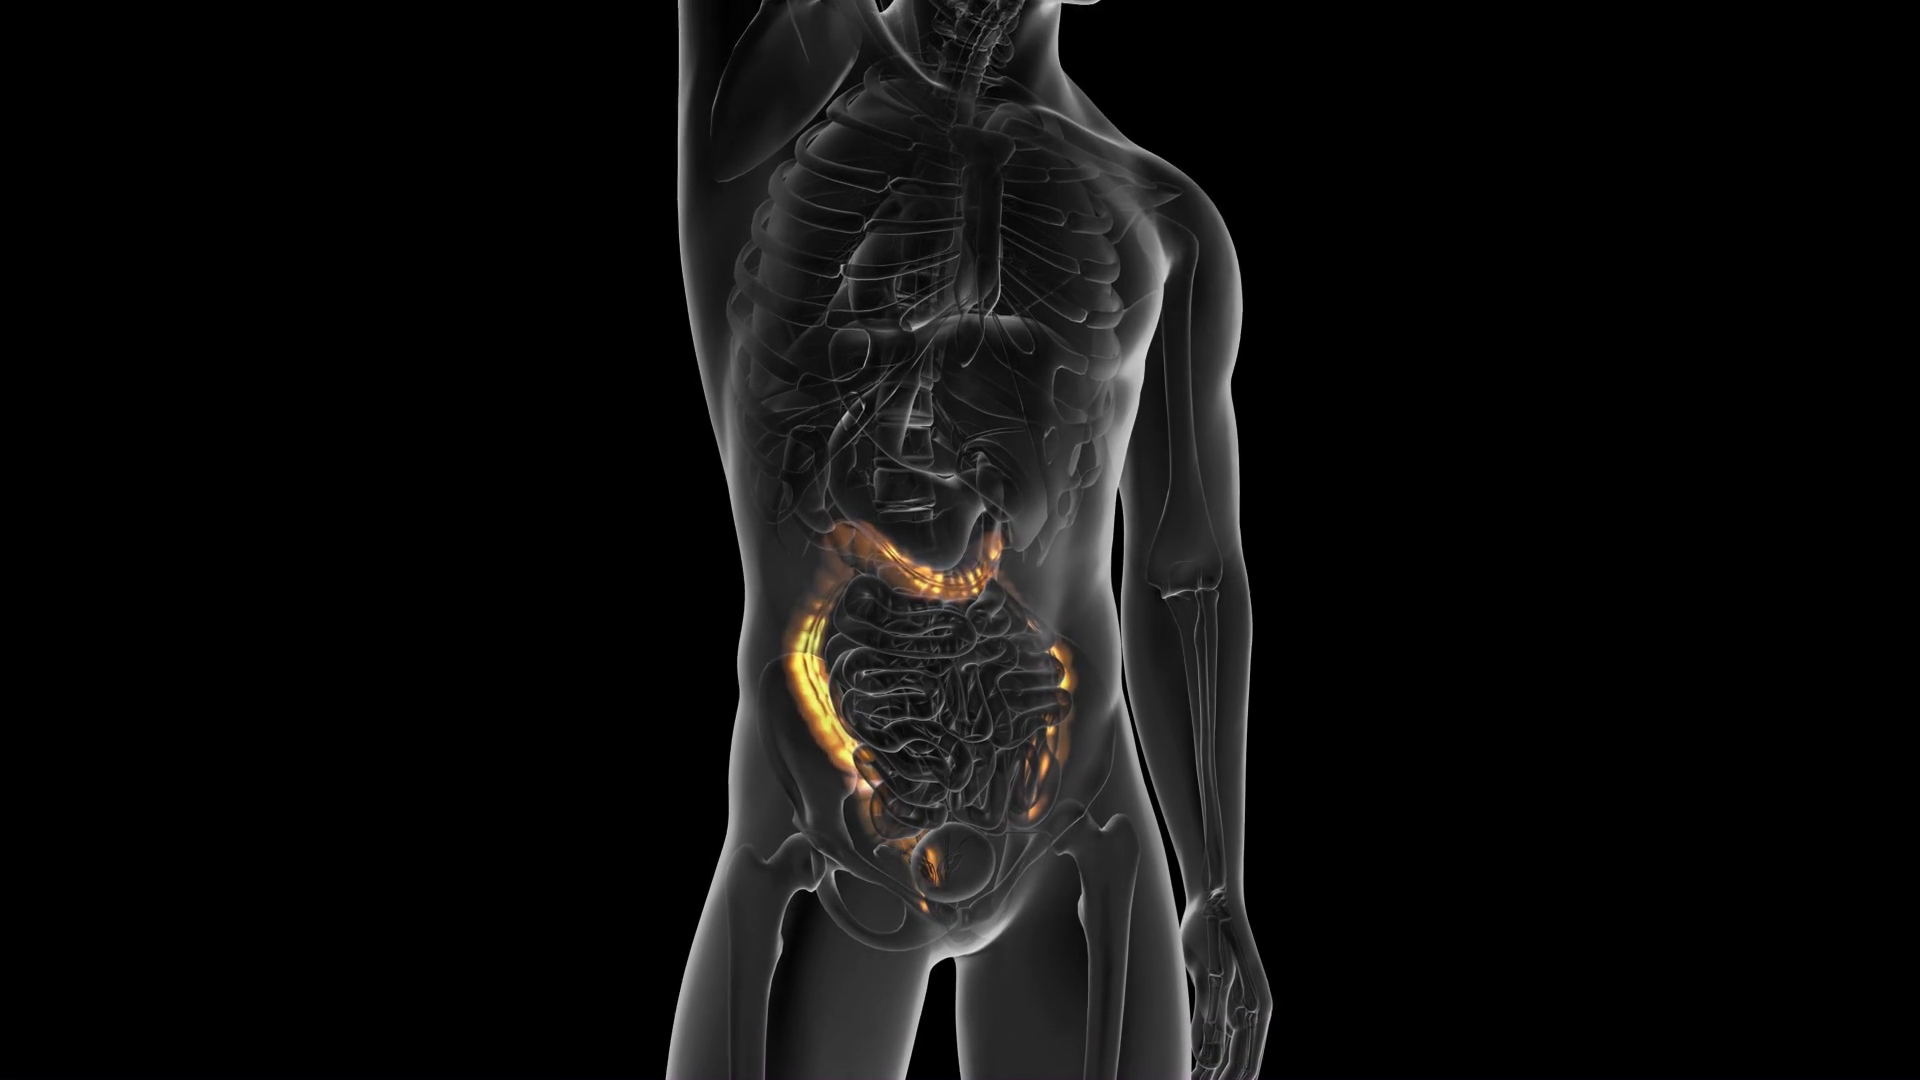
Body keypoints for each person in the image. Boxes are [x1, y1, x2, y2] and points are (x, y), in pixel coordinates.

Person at [673, 1, 1268, 1075]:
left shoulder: (1161, 224)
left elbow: (1187, 568)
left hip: (1081, 837)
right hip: (816, 830)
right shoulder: (772, 113)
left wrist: (1217, 880)